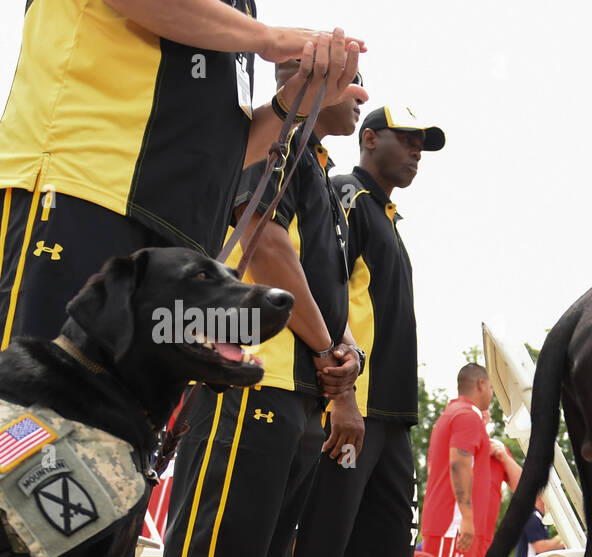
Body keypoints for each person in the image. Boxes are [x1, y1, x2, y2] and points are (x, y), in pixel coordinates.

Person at [0, 2, 365, 352]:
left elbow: (226, 153)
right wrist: (267, 38)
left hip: (178, 247)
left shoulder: (241, 13)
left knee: (124, 414)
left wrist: (292, 105)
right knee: (38, 405)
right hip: (85, 192)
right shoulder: (249, 29)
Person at [161, 62, 364, 557]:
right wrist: (328, 351)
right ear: (305, 78)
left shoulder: (319, 167)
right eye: (351, 79)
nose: (362, 93)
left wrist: (345, 353)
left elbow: (323, 283)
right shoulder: (279, 143)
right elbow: (263, 243)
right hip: (249, 381)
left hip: (296, 396)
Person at [282, 105, 445, 557]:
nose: (416, 151)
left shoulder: (387, 217)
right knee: (326, 536)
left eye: (422, 143)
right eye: (405, 139)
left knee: (384, 548)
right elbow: (327, 287)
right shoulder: (345, 196)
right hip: (354, 404)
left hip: (393, 414)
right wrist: (339, 393)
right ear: (368, 138)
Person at [420, 364, 522, 557]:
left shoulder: (460, 415)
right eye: (491, 387)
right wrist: (466, 516)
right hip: (453, 522)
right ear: (480, 384)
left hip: (454, 522)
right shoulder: (466, 415)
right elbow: (458, 461)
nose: (492, 394)